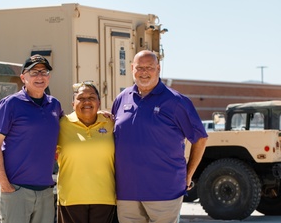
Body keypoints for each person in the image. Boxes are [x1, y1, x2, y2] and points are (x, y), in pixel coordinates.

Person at [111, 50, 208, 223]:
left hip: (164, 191)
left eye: (149, 67)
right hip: (127, 191)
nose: (144, 72)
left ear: (158, 68)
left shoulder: (176, 101)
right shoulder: (122, 99)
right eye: (140, 67)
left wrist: (189, 174)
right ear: (132, 68)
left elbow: (200, 138)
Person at [0, 54, 63, 223]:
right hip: (15, 190)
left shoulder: (55, 105)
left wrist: (100, 115)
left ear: (48, 77)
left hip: (44, 191)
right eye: (34, 72)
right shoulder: (10, 104)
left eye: (44, 72)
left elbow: (71, 127)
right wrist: (5, 184)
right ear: (23, 77)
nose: (39, 77)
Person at [56, 81, 116, 223]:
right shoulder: (60, 124)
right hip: (70, 199)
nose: (86, 102)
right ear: (72, 104)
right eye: (81, 98)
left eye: (91, 97)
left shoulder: (111, 123)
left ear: (99, 102)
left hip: (105, 199)